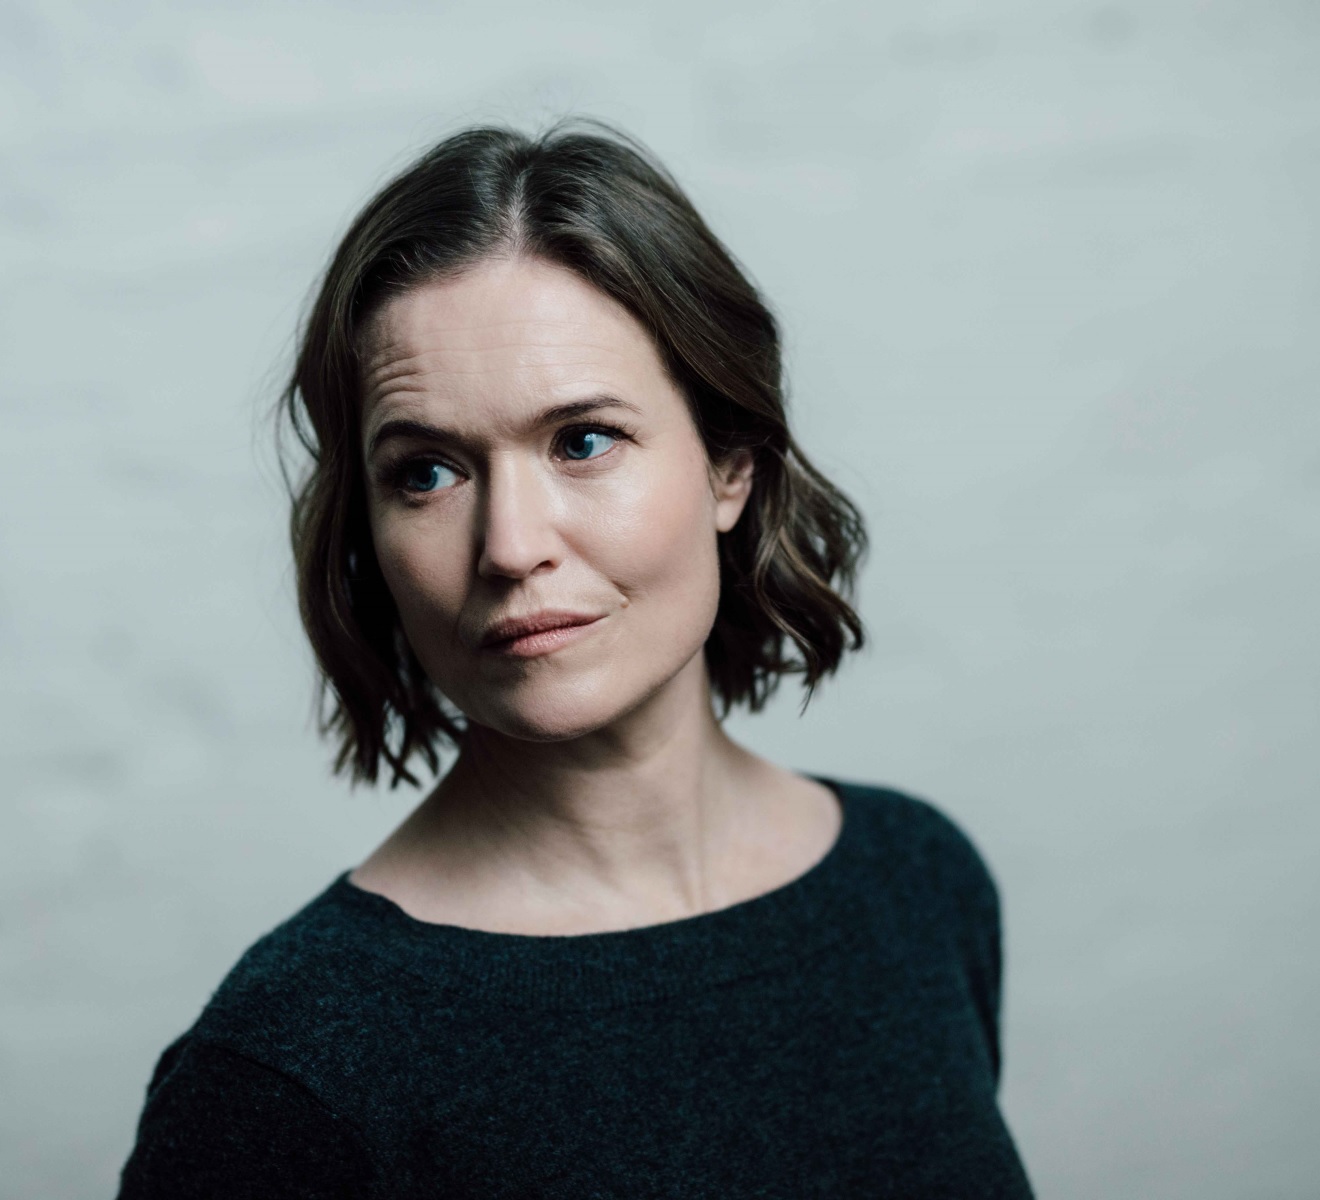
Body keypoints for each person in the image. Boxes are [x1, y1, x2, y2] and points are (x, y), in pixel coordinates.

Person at [117, 121, 1032, 1198]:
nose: (509, 545)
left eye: (582, 440)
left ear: (729, 462)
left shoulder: (917, 885)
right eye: (427, 472)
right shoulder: (286, 1076)